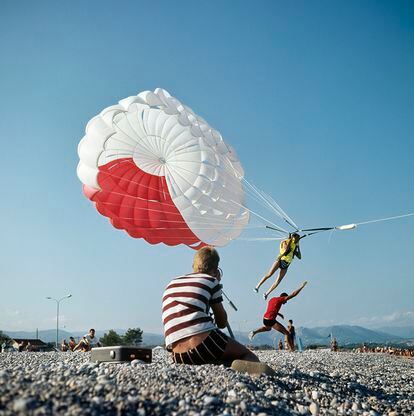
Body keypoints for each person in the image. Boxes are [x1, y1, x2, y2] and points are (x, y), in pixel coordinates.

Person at [162, 246, 259, 365]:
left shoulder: (172, 283)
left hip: (178, 355)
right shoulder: (211, 281)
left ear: (194, 265)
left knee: (218, 359)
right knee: (248, 356)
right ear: (216, 269)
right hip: (206, 344)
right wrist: (216, 282)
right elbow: (222, 323)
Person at [249, 281, 308, 350]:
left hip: (265, 318)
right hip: (271, 319)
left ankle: (254, 332)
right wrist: (302, 286)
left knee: (268, 328)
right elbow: (294, 294)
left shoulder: (272, 299)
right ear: (284, 297)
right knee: (287, 333)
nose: (286, 302)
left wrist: (279, 314)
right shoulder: (281, 299)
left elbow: (271, 309)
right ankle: (292, 349)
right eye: (286, 300)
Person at [254, 233, 302, 299]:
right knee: (269, 274)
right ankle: (257, 287)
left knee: (278, 281)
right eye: (297, 238)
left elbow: (299, 257)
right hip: (280, 260)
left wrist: (298, 246)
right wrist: (290, 240)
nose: (297, 240)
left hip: (286, 265)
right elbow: (286, 250)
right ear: (293, 237)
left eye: (298, 239)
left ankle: (266, 293)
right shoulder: (285, 241)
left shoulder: (294, 245)